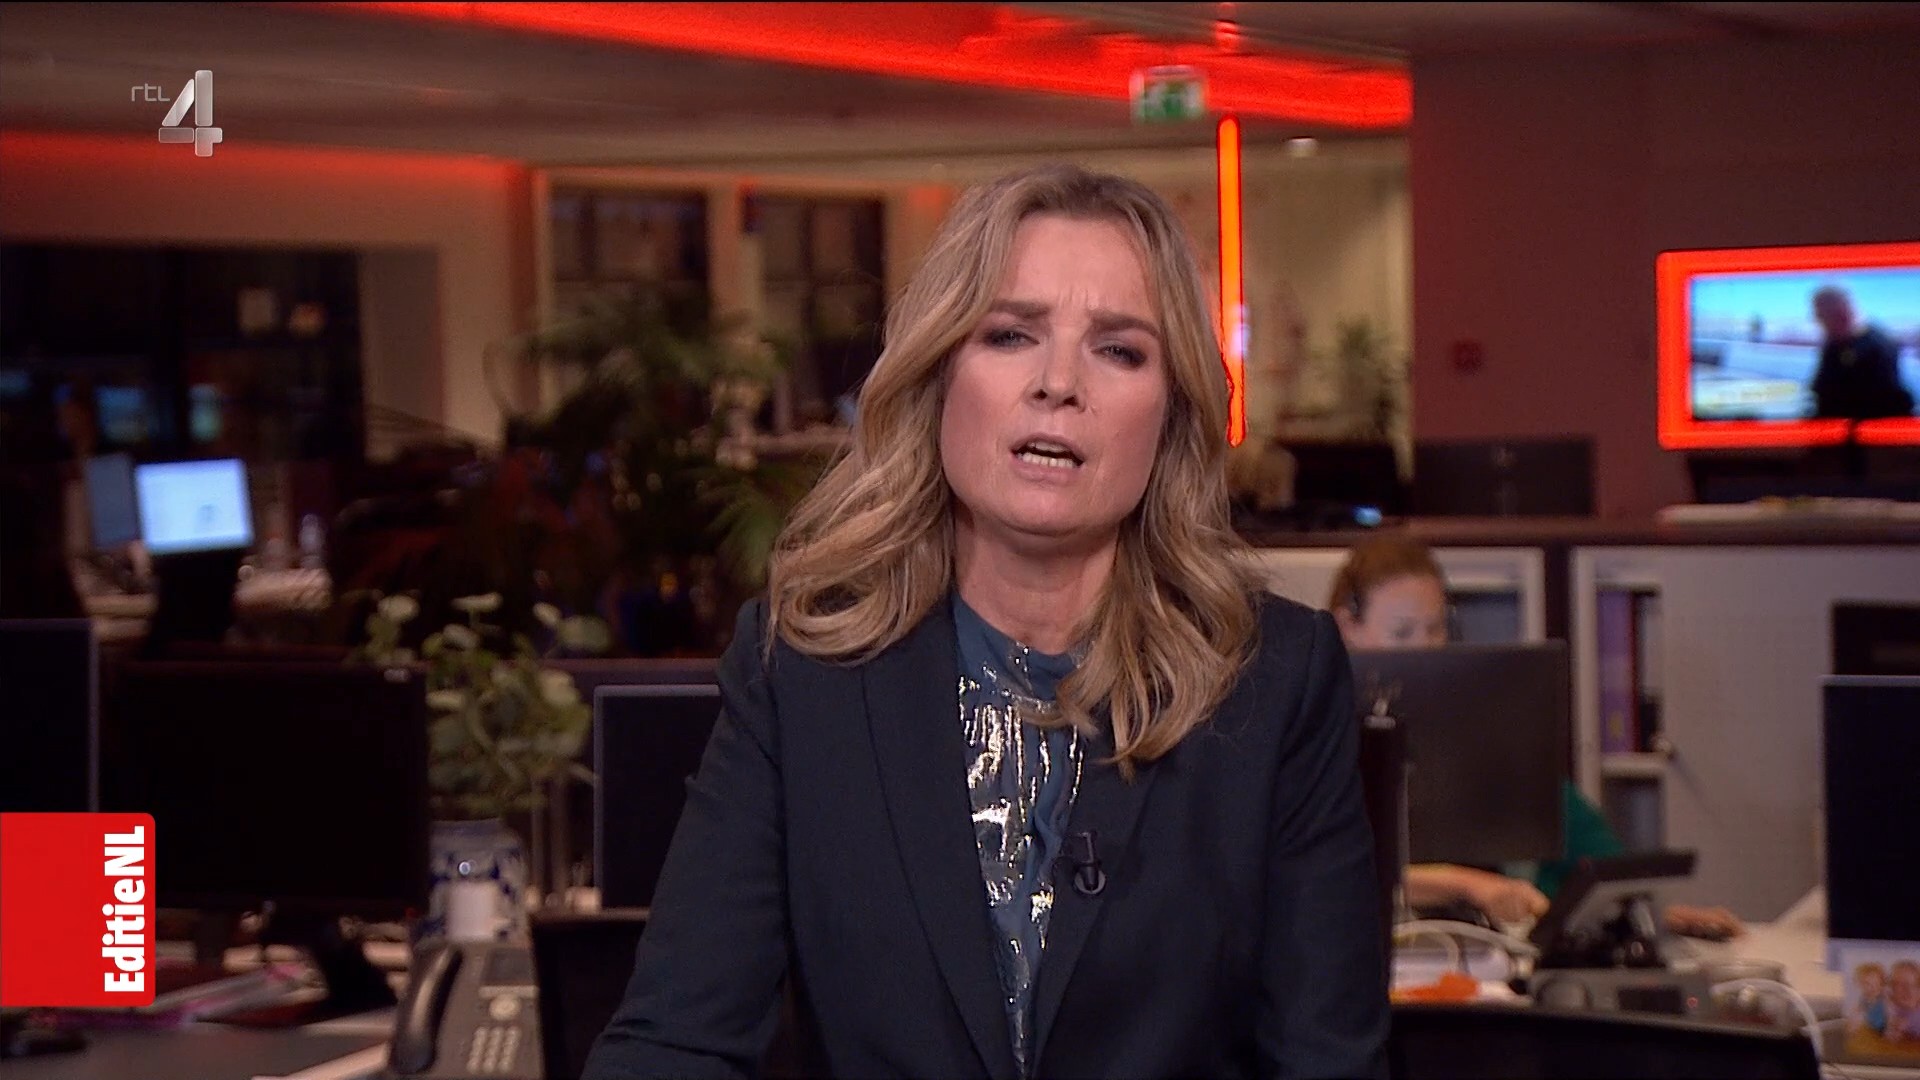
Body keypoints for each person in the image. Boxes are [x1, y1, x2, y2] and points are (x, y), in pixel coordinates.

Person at [585, 166, 1389, 1079]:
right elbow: (675, 1039)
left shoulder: (1274, 678)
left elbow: (1329, 1060)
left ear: (1171, 412)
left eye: (1119, 350)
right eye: (1010, 335)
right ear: (938, 375)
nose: (1058, 383)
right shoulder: (803, 670)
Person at [1329, 534, 1743, 939]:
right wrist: (1466, 885)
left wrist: (1647, 910)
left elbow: (1579, 842)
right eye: (1403, 632)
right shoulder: (1322, 736)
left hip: (1493, 948)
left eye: (1435, 629)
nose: (1426, 648)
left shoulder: (1478, 723)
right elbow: (1333, 870)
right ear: (1348, 627)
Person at [1809, 285, 1916, 421]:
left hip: (1873, 427)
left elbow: (1878, 401)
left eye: (1821, 315)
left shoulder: (1878, 345)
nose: (1818, 320)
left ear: (1842, 312)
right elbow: (1821, 390)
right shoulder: (1834, 345)